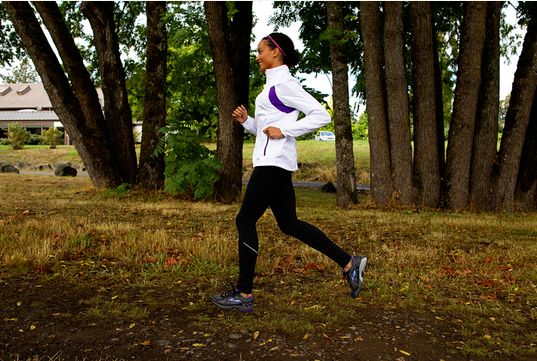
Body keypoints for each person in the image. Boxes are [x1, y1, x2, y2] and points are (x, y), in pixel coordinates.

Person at [210, 33, 367, 312]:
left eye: (260, 51)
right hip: (273, 159)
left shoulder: (284, 84)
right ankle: (349, 263)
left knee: (245, 220)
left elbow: (321, 115)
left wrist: (286, 130)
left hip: (273, 162)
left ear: (276, 52)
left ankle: (244, 295)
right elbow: (266, 129)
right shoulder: (272, 85)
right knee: (289, 224)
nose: (257, 56)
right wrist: (247, 122)